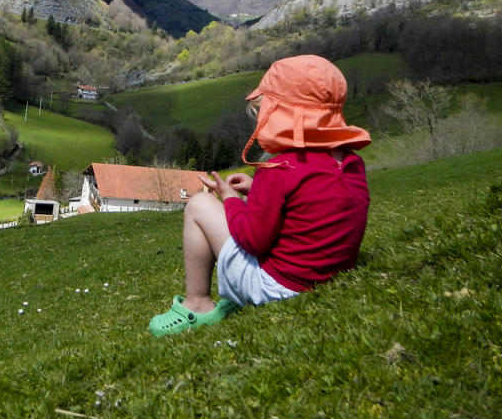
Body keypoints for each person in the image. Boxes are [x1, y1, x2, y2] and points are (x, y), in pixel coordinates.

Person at [148, 54, 372, 337]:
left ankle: (197, 305)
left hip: (277, 287)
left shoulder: (280, 167)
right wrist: (257, 191)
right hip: (325, 277)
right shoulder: (350, 163)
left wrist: (229, 199)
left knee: (199, 204)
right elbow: (313, 204)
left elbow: (253, 240)